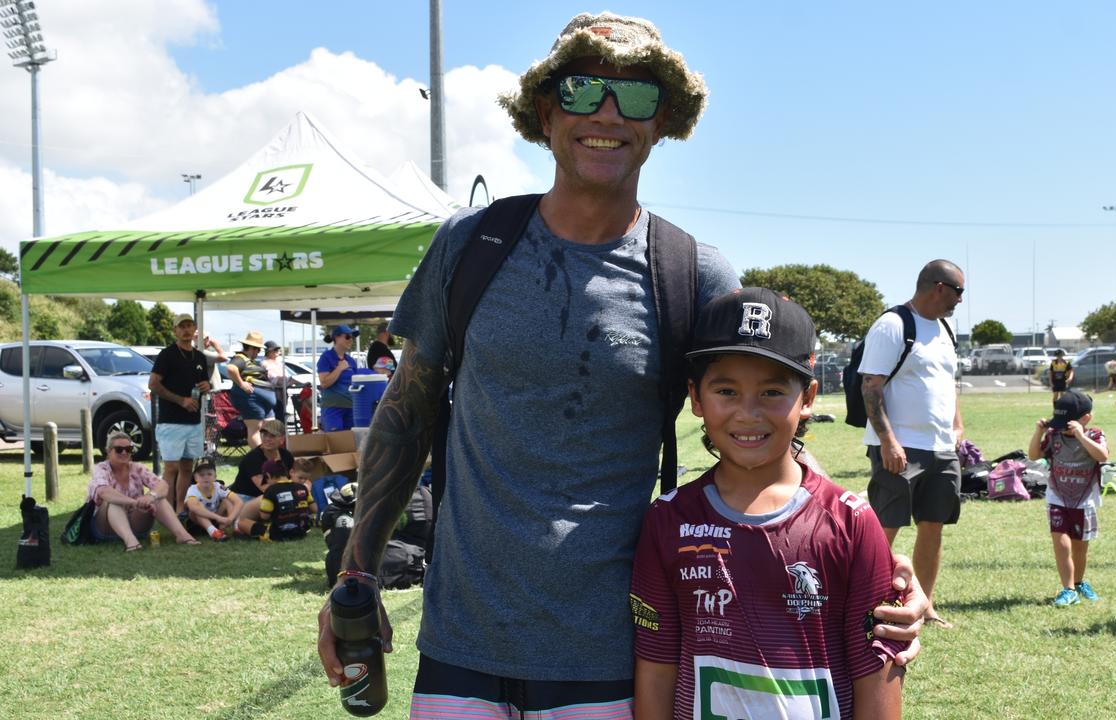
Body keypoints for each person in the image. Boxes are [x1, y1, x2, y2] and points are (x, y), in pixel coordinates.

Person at [317, 12, 925, 717]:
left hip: (610, 651)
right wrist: (354, 571)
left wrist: (871, 560)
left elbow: (758, 414)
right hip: (461, 640)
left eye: (635, 97)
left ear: (662, 122)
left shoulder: (690, 270)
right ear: (545, 111)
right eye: (581, 91)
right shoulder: (471, 244)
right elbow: (406, 413)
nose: (606, 114)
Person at [631, 288, 905, 720]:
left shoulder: (852, 521)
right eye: (726, 390)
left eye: (773, 391)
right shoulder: (668, 520)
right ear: (696, 398)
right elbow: (656, 668)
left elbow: (877, 669)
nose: (748, 412)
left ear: (809, 398)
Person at [861, 259, 965, 628]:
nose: (960, 301)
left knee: (933, 524)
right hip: (900, 447)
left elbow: (947, 383)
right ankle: (862, 603)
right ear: (939, 287)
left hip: (940, 448)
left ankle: (926, 604)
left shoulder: (946, 330)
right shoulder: (893, 326)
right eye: (958, 293)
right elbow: (871, 387)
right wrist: (888, 441)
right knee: (884, 526)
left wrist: (957, 426)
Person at [1028, 390, 1110, 607]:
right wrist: (1039, 432)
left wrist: (1081, 436)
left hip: (1084, 500)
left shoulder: (1094, 435)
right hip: (1057, 497)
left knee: (1080, 548)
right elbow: (1034, 455)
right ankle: (1068, 589)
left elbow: (1103, 456)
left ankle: (1079, 581)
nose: (1062, 426)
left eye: (1067, 422)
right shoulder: (1054, 435)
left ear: (1086, 419)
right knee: (1060, 541)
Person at [148, 313, 227, 512]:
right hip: (171, 422)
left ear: (195, 330)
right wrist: (181, 400)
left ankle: (179, 510)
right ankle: (166, 514)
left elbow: (203, 385)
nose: (186, 330)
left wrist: (206, 385)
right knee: (171, 468)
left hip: (194, 421)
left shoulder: (200, 356)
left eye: (189, 326)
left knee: (186, 468)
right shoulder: (167, 354)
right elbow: (153, 385)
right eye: (181, 326)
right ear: (175, 330)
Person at [87, 430, 201, 551]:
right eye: (119, 449)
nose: (124, 452)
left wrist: (151, 496)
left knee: (158, 498)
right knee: (113, 501)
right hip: (105, 527)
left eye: (129, 449)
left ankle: (182, 535)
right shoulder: (101, 468)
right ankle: (130, 541)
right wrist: (134, 502)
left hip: (137, 524)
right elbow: (104, 492)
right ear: (108, 451)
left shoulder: (137, 468)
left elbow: (163, 485)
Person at [230, 419, 295, 535]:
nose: (267, 439)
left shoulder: (286, 456)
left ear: (282, 439)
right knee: (266, 498)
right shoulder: (253, 458)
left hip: (272, 495)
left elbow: (294, 479)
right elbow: (265, 488)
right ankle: (239, 523)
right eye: (264, 435)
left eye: (272, 436)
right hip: (245, 498)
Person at [226, 330, 277, 446]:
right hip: (252, 400)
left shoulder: (250, 360)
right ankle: (260, 459)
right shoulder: (240, 358)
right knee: (255, 430)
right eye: (258, 350)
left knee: (271, 430)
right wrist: (242, 384)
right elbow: (231, 368)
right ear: (252, 348)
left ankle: (269, 459)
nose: (258, 353)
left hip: (262, 402)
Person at [255, 459, 317, 542]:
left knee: (243, 522)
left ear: (268, 475)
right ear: (290, 472)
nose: (302, 481)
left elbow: (264, 516)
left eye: (305, 479)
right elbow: (315, 509)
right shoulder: (303, 488)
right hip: (301, 531)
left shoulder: (270, 490)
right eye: (300, 478)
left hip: (278, 534)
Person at [183, 460, 240, 542]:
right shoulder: (193, 489)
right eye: (201, 475)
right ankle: (213, 532)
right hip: (197, 522)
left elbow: (238, 502)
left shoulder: (218, 486)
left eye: (209, 474)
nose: (206, 477)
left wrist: (231, 518)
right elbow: (193, 507)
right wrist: (218, 518)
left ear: (215, 477)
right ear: (195, 478)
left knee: (227, 501)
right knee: (197, 508)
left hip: (216, 518)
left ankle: (236, 526)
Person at [317, 324, 359, 432]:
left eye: (352, 337)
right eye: (348, 337)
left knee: (351, 442)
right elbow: (324, 383)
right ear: (336, 337)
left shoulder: (350, 360)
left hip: (351, 407)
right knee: (335, 442)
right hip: (333, 407)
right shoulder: (326, 357)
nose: (351, 340)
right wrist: (339, 368)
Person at [261, 340, 288, 423]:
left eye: (278, 349)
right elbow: (274, 379)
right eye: (275, 350)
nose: (277, 352)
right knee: (275, 420)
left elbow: (286, 377)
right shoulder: (264, 363)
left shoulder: (279, 363)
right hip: (272, 394)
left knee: (282, 418)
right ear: (268, 351)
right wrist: (285, 380)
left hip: (282, 394)